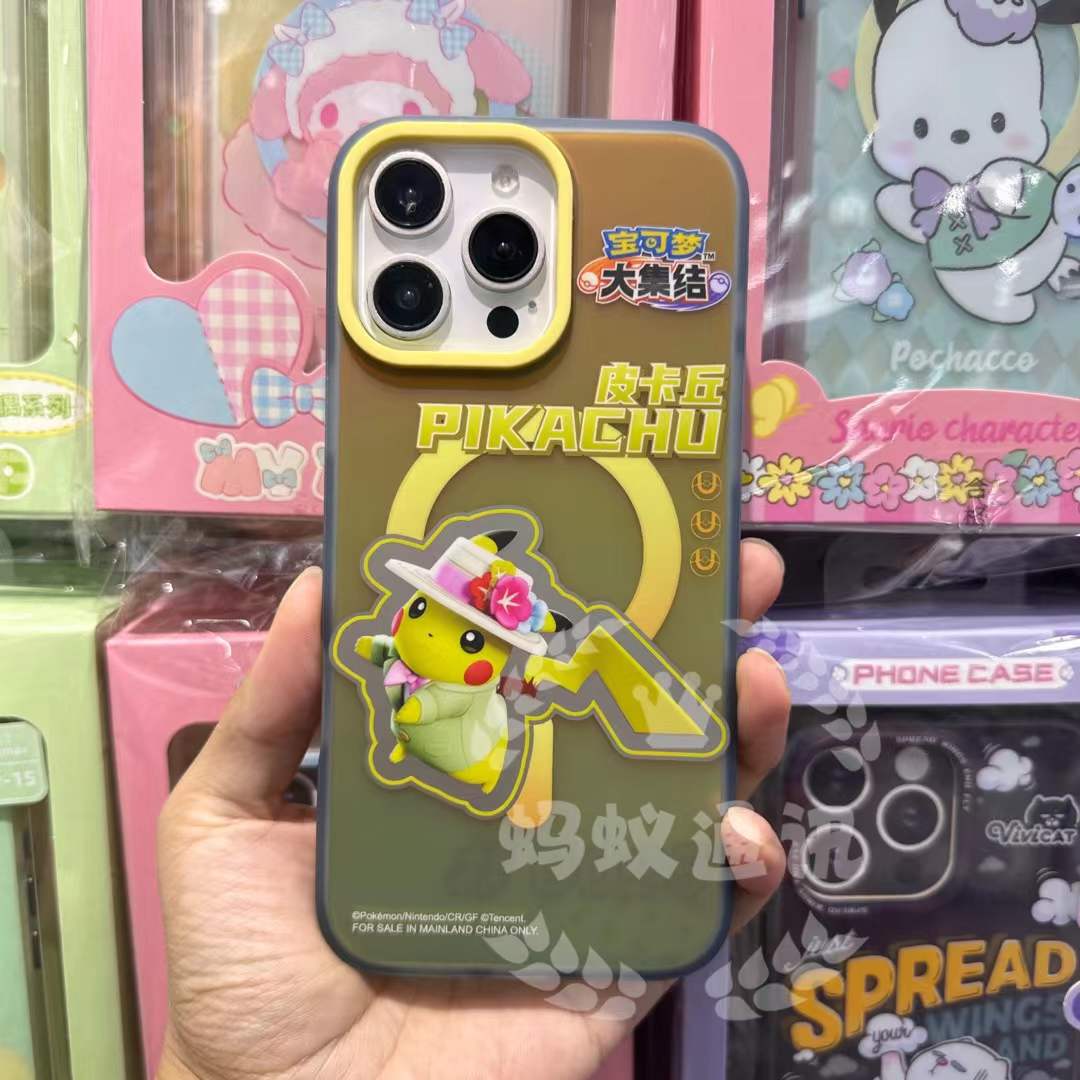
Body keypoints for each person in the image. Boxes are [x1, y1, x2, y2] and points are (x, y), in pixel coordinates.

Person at [156, 540, 790, 1080]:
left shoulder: (465, 694)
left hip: (474, 755)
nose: (428, 633)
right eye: (421, 611)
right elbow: (391, 661)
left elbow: (437, 702)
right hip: (454, 785)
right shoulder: (428, 670)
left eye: (464, 636)